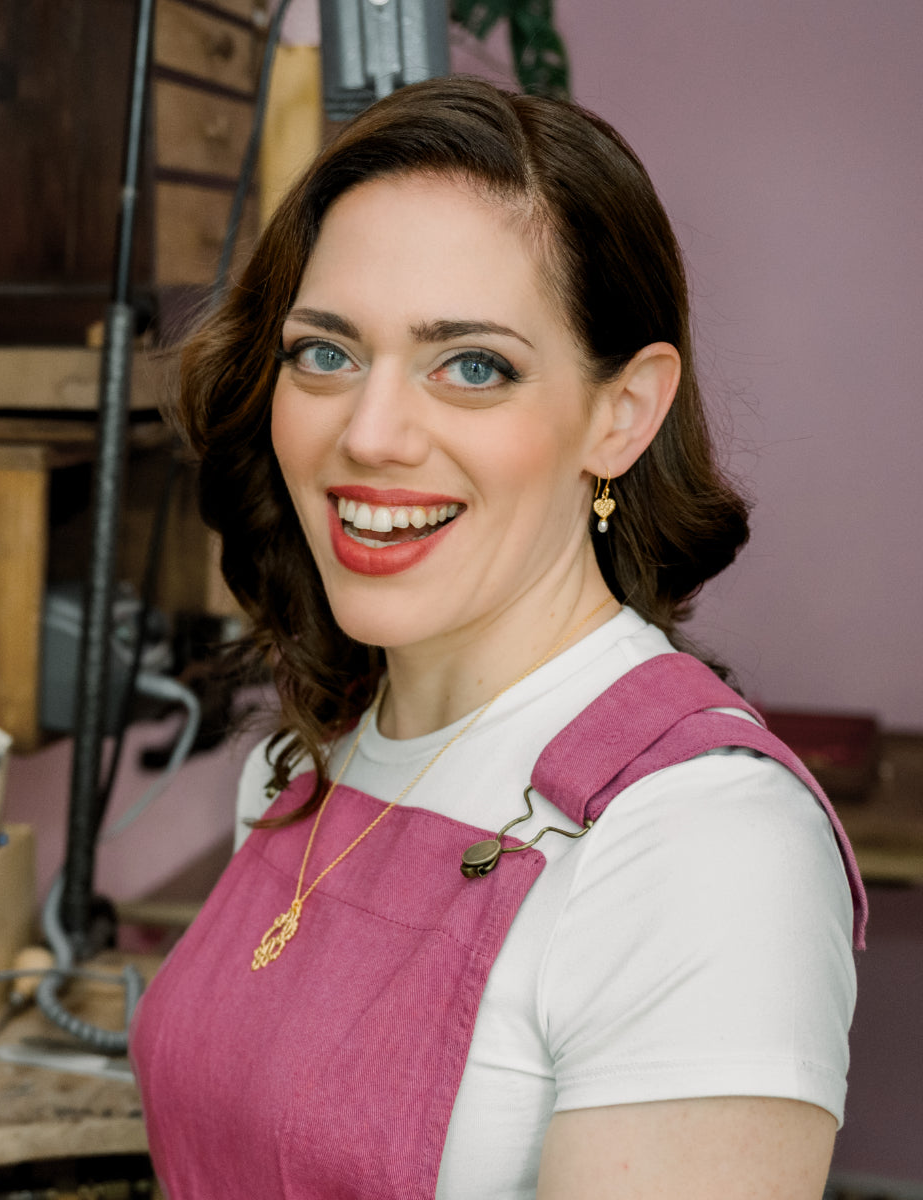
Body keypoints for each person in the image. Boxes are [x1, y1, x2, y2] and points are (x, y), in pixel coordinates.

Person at [128, 75, 865, 1199]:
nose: (369, 434)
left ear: (622, 413)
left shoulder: (703, 848)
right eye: (326, 353)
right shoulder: (310, 762)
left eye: (472, 366)